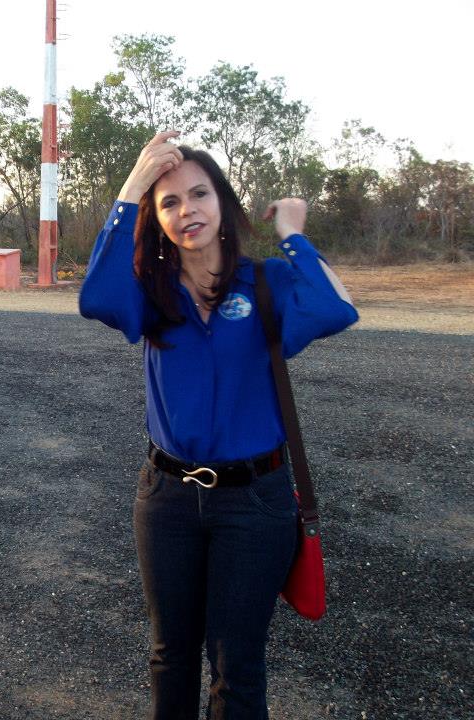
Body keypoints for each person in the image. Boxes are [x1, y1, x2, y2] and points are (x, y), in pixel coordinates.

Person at [79, 131, 358, 719]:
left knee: (237, 666)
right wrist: (133, 183)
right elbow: (95, 298)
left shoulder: (266, 282)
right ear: (157, 221)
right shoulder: (149, 293)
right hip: (167, 498)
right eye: (169, 202)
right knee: (170, 655)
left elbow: (336, 309)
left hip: (255, 501)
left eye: (199, 194)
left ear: (222, 203)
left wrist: (293, 234)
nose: (188, 211)